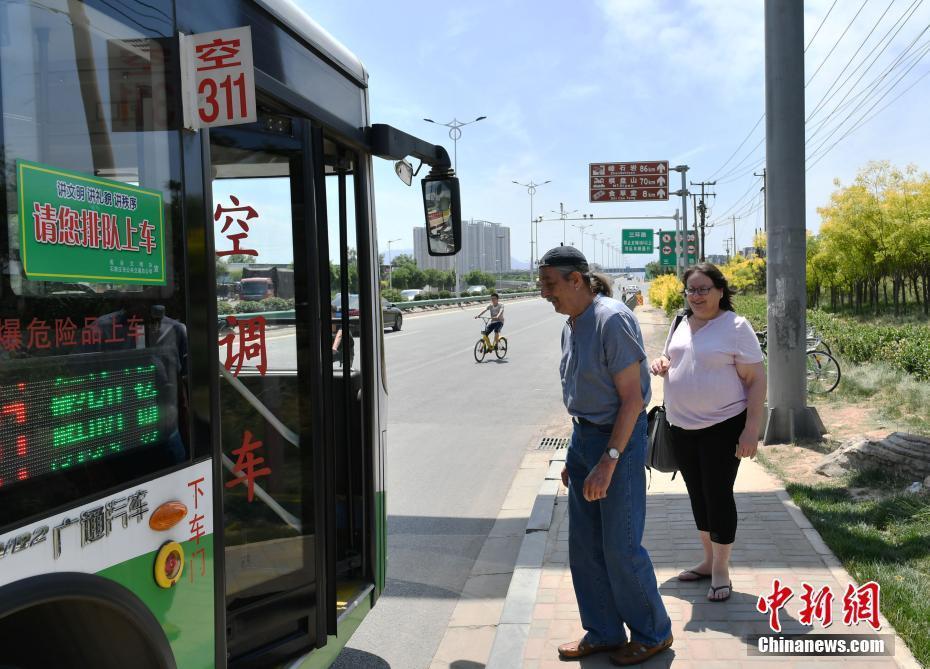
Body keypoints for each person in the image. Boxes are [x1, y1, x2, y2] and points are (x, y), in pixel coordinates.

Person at [538, 245, 672, 666]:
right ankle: (604, 632)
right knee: (585, 546)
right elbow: (581, 395)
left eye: (549, 284)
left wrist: (609, 459)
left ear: (575, 280)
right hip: (585, 441)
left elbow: (631, 401)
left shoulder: (611, 319)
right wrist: (576, 455)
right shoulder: (572, 323)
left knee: (620, 546)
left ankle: (653, 633)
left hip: (620, 442)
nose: (544, 293)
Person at [649, 263, 766, 603]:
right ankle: (707, 560)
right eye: (691, 290)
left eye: (703, 289)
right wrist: (661, 362)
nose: (696, 296)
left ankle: (721, 569)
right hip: (681, 426)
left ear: (719, 290)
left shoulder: (736, 327)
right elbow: (671, 356)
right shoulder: (679, 322)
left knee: (718, 495)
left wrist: (751, 431)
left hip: (723, 426)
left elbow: (756, 380)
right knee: (698, 496)